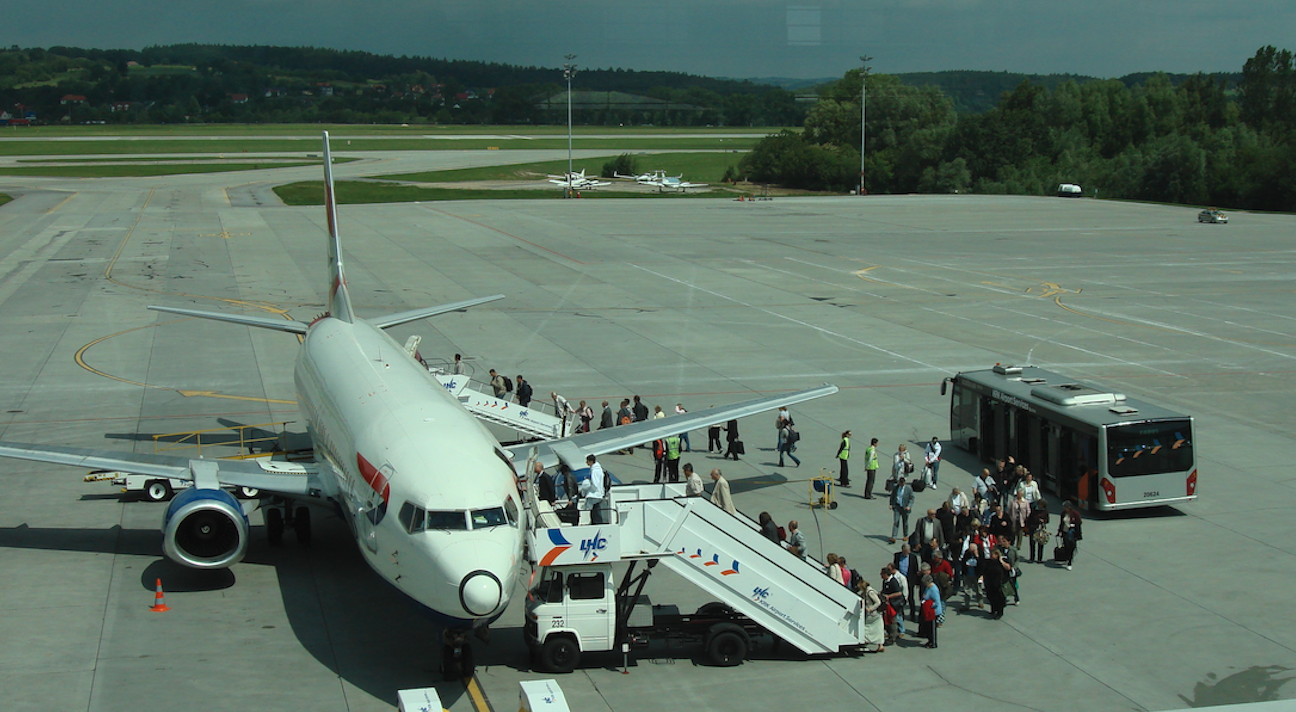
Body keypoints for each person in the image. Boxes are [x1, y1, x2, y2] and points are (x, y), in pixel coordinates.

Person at [893, 543, 921, 621]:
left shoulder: (913, 557)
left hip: (910, 580)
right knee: (900, 598)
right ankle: (901, 615)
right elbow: (895, 567)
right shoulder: (897, 556)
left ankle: (913, 615)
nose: (906, 553)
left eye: (908, 551)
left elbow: (916, 571)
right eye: (905, 551)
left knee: (910, 598)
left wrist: (917, 582)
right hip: (900, 580)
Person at [982, 546, 1011, 619]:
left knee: (999, 598)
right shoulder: (988, 562)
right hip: (989, 582)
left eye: (994, 554)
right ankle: (993, 610)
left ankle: (999, 612)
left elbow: (1008, 568)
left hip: (999, 583)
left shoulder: (1002, 561)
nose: (992, 555)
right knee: (990, 597)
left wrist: (1001, 561)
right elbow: (984, 570)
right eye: (991, 554)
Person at [858, 578, 886, 653]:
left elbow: (878, 602)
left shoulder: (869, 592)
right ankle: (880, 645)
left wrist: (870, 609)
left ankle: (865, 641)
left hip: (873, 614)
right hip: (876, 615)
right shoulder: (869, 591)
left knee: (866, 628)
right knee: (878, 630)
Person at [580, 454, 609, 525]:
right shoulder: (598, 469)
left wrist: (588, 487)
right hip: (599, 492)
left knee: (595, 511)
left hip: (595, 494)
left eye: (587, 461)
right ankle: (596, 523)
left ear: (591, 462)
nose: (586, 463)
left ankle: (597, 524)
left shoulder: (595, 471)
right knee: (596, 510)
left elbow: (595, 483)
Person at [880, 565, 904, 643]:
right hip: (887, 604)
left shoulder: (893, 581)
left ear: (886, 575)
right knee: (887, 620)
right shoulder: (885, 581)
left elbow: (899, 593)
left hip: (894, 604)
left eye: (882, 574)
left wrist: (889, 596)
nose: (881, 576)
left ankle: (893, 637)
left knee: (893, 621)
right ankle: (890, 634)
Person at [888, 475, 914, 545]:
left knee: (905, 522)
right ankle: (894, 537)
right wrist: (891, 504)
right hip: (897, 506)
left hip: (905, 508)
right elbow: (892, 496)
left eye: (902, 483)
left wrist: (909, 506)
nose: (901, 484)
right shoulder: (896, 488)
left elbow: (912, 498)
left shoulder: (908, 489)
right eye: (900, 482)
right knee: (896, 521)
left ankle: (905, 535)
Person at [919, 574, 943, 648]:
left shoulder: (934, 589)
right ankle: (929, 640)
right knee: (928, 628)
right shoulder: (928, 587)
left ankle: (933, 643)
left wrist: (928, 605)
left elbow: (937, 602)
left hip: (933, 611)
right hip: (928, 612)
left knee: (932, 628)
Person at [1057, 500, 1082, 570]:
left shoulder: (1075, 514)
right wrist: (1059, 531)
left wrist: (1078, 534)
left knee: (1072, 546)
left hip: (1072, 533)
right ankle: (1067, 557)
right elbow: (1061, 523)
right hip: (1065, 532)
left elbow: (1079, 523)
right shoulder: (1063, 514)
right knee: (1066, 546)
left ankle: (1069, 562)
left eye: (1066, 507)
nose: (1065, 508)